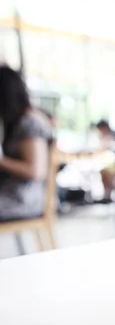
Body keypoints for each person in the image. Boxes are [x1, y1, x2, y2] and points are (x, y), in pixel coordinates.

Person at [0, 66, 53, 221]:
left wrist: (2, 162)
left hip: (24, 200)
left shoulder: (29, 123)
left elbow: (36, 171)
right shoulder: (18, 122)